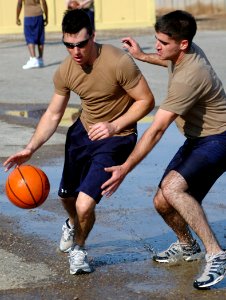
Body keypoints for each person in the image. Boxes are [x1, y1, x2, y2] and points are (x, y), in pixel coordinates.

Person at [4, 9, 154, 275]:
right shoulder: (66, 70)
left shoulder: (119, 62)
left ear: (93, 36)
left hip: (117, 138)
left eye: (81, 44)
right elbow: (53, 113)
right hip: (82, 133)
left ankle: (79, 249)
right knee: (68, 197)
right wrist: (30, 148)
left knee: (85, 203)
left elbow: (146, 100)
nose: (75, 51)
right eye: (68, 45)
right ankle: (73, 224)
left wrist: (113, 125)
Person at [101, 10, 226, 289]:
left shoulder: (190, 76)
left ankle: (216, 254)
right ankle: (187, 245)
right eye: (156, 39)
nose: (158, 46)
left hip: (219, 139)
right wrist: (143, 55)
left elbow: (156, 130)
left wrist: (125, 168)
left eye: (163, 42)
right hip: (198, 139)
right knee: (161, 201)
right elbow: (165, 60)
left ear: (182, 44)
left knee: (172, 189)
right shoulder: (185, 50)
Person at [16, 0, 48, 69]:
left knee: (29, 36)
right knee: (40, 36)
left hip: (28, 16)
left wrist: (17, 17)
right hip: (39, 15)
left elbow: (19, 4)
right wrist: (46, 17)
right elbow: (44, 3)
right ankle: (40, 59)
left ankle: (33, 59)